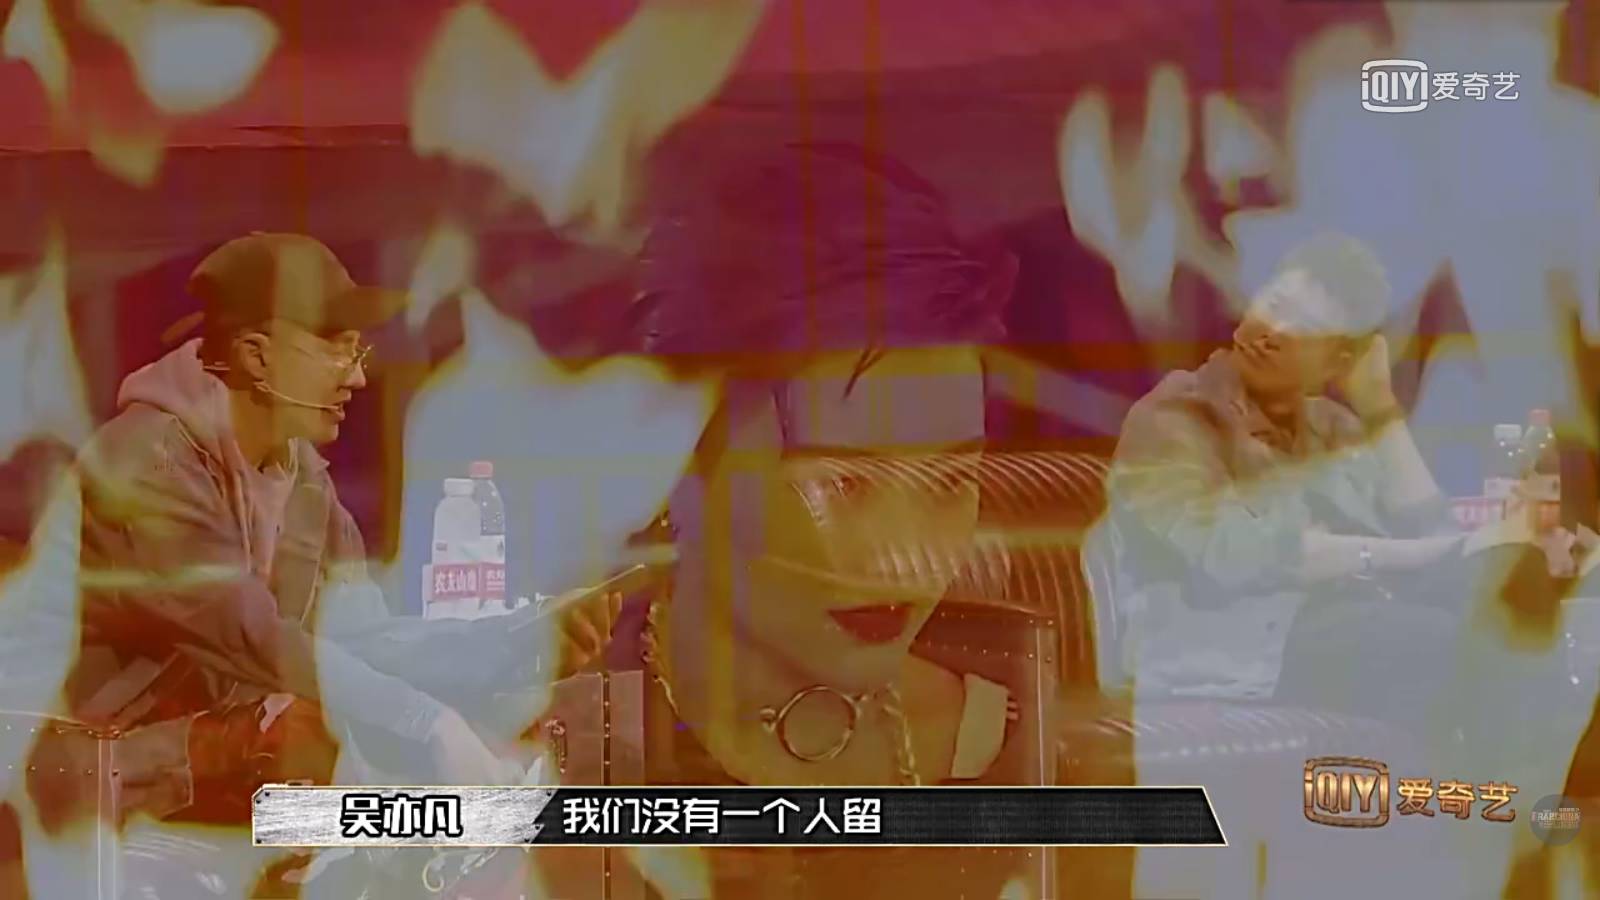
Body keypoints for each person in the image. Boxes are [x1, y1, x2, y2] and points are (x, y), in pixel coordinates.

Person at [526, 144, 1044, 899]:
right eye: (843, 483)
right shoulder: (553, 748)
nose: (905, 557)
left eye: (949, 481)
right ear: (677, 464)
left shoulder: (1022, 753)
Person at [29, 233, 619, 844]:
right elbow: (256, 641)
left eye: (357, 349)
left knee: (409, 766)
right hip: (79, 776)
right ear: (257, 357)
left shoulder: (301, 478)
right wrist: (428, 724)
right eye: (336, 347)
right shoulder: (145, 466)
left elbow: (366, 639)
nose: (358, 376)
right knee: (315, 736)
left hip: (213, 776)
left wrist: (515, 647)